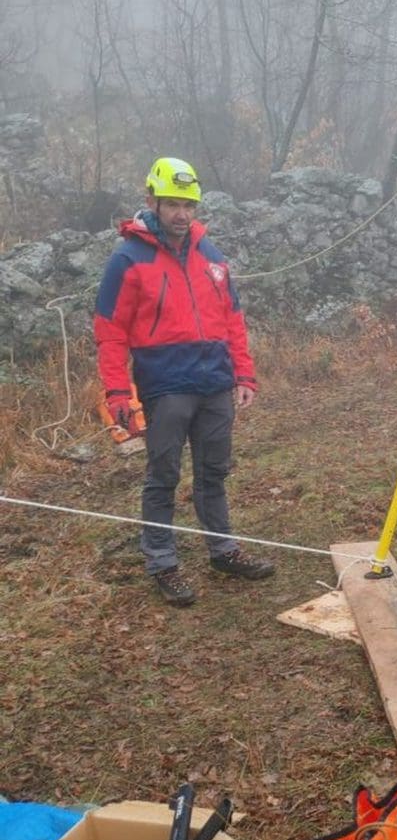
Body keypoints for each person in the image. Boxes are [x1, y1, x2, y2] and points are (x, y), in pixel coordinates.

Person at [94, 157, 275, 607]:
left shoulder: (209, 253)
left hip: (215, 382)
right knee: (163, 476)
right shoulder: (127, 258)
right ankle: (162, 563)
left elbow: (233, 318)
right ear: (152, 200)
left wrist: (244, 372)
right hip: (165, 384)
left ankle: (223, 550)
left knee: (214, 472)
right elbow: (110, 330)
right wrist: (117, 392)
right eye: (173, 204)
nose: (182, 214)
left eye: (189, 205)